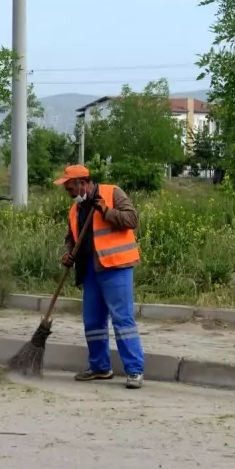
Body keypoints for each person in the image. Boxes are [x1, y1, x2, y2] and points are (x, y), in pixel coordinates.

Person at [53, 164, 145, 389]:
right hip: (90, 269)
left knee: (122, 319)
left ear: (82, 183)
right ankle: (99, 367)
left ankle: (134, 370)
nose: (69, 193)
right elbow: (70, 236)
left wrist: (107, 211)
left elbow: (132, 220)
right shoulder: (75, 209)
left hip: (116, 267)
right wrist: (68, 252)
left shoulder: (112, 193)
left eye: (70, 188)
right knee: (93, 321)